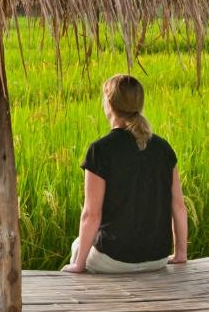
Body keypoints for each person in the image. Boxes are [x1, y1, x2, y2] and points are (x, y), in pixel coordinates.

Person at [63, 73, 188, 274]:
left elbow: (91, 215)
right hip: (158, 257)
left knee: (77, 246)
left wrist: (78, 264)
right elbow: (179, 205)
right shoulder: (163, 148)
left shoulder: (100, 150)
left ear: (109, 104)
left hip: (115, 259)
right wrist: (180, 253)